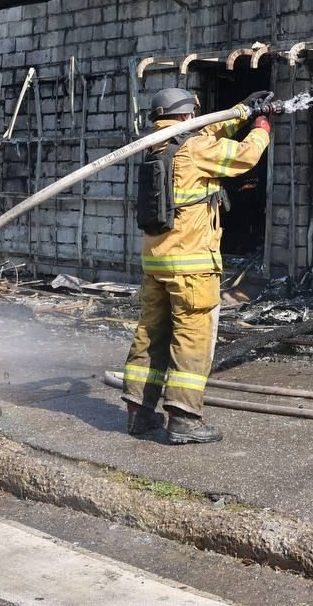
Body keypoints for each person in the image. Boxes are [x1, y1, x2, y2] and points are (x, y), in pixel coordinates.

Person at [123, 88, 274, 444]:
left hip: (156, 263)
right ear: (187, 115)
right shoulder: (194, 150)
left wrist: (240, 111)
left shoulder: (157, 146)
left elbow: (205, 133)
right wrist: (261, 127)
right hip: (191, 267)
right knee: (192, 339)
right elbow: (244, 157)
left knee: (150, 336)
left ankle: (139, 413)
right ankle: (184, 419)